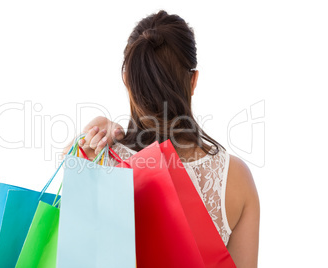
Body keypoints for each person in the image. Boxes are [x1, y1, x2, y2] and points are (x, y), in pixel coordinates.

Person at [65, 10, 259, 267]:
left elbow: (71, 251)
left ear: (127, 80)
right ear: (193, 81)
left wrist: (80, 149)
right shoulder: (235, 178)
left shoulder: (99, 161)